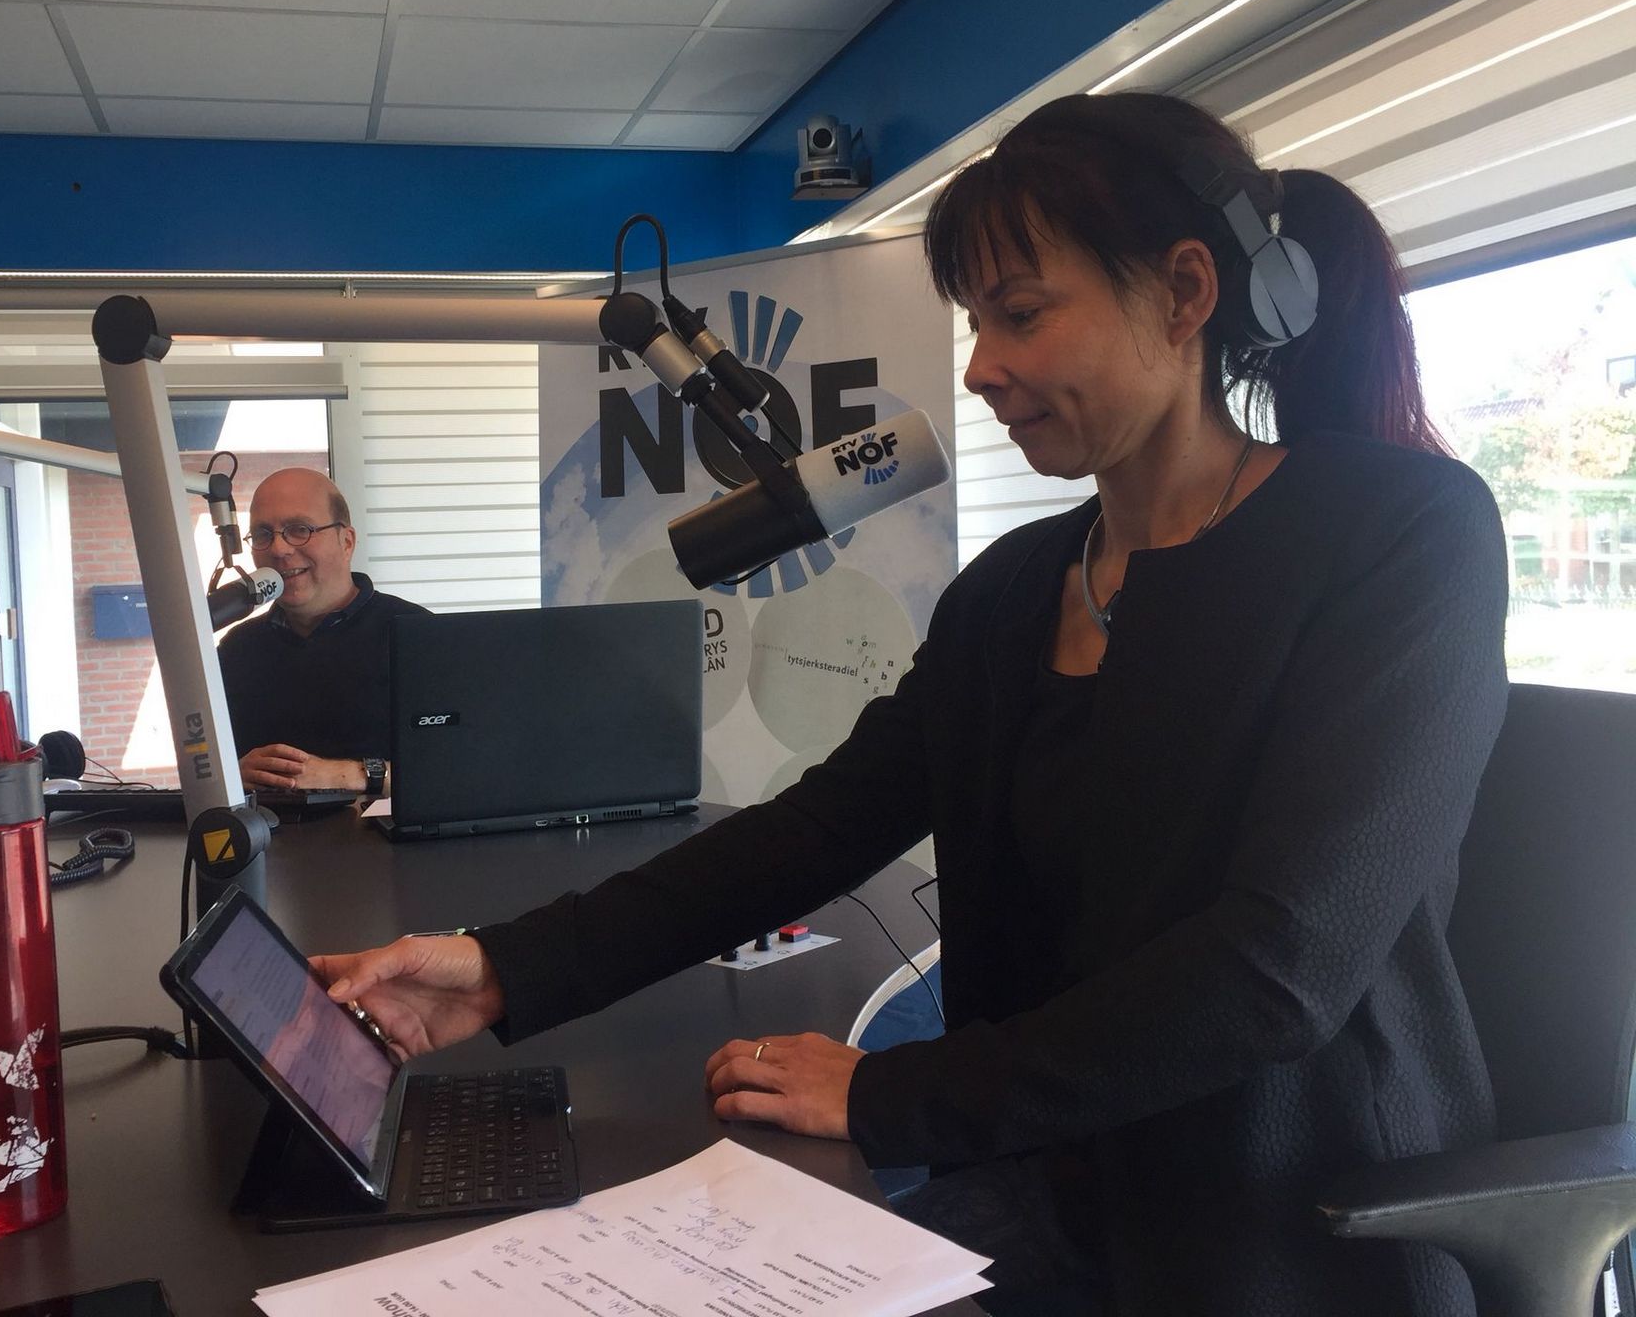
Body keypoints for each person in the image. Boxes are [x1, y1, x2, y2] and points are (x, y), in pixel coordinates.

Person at [307, 93, 1508, 1316]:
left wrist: (890, 1093)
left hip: (1287, 1231)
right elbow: (821, 828)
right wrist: (501, 969)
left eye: (1022, 314)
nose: (980, 368)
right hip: (1044, 1189)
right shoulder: (1018, 588)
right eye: (976, 322)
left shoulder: (1403, 533)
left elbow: (1282, 969)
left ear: (1186, 292)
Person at [216, 467, 427, 794]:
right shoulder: (236, 649)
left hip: (378, 828)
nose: (279, 549)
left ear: (347, 542)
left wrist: (347, 775)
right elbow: (208, 770)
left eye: (299, 529)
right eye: (263, 534)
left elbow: (458, 769)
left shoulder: (418, 635)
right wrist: (229, 778)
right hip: (268, 828)